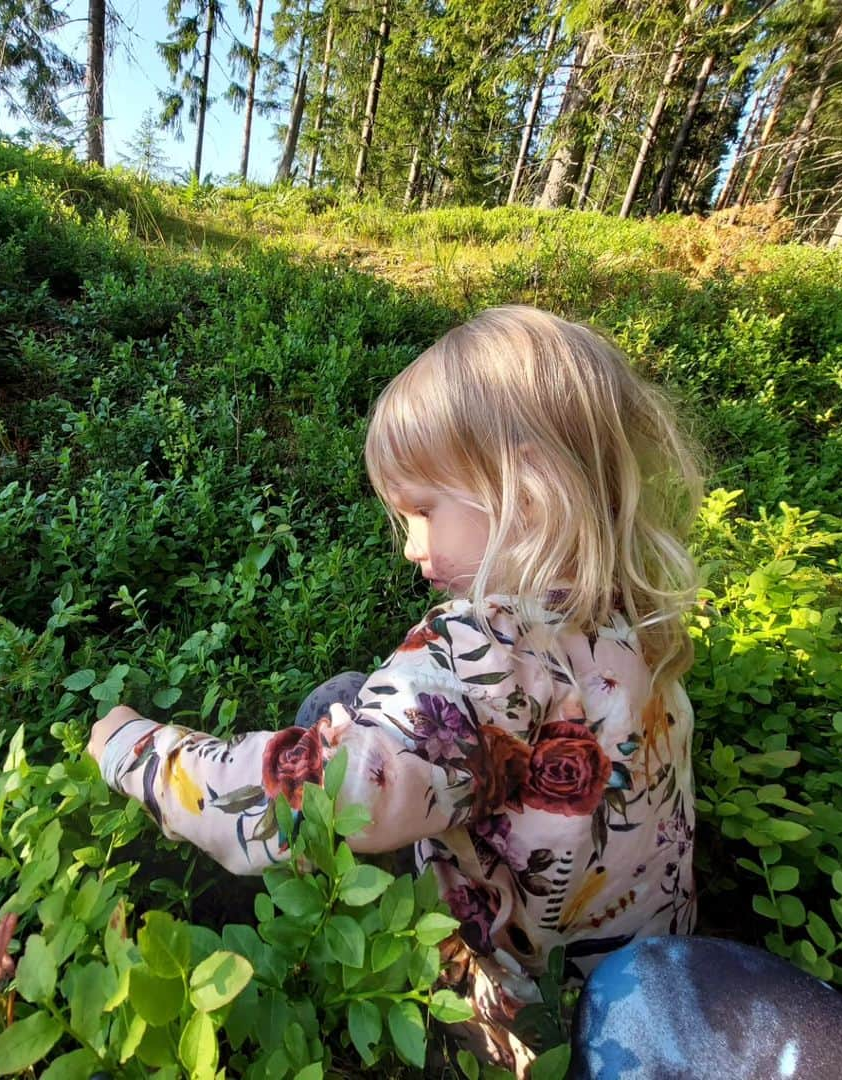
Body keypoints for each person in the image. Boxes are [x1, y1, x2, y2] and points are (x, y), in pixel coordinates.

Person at [87, 305, 703, 1075]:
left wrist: (133, 749)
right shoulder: (631, 624)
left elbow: (334, 795)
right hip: (640, 988)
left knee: (328, 723)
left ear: (532, 494)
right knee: (351, 693)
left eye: (423, 511)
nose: (411, 547)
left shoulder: (481, 646)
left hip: (514, 1016)